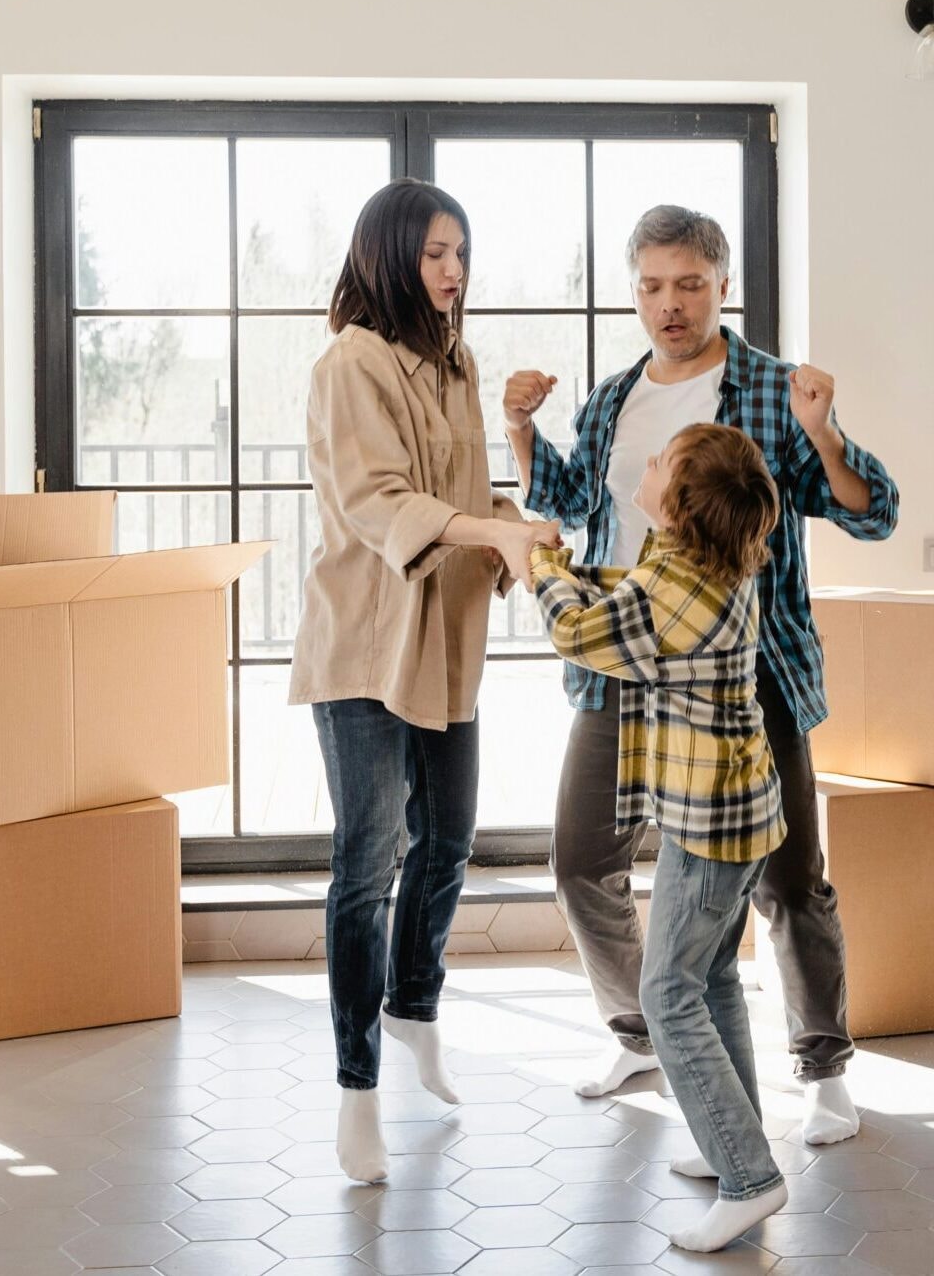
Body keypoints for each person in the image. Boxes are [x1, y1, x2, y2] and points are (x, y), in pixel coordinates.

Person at [505, 204, 899, 1147]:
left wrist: (826, 435)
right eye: (650, 286)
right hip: (630, 669)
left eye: (688, 284)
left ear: (723, 286)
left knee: (791, 877)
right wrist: (519, 426)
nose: (669, 305)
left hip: (747, 676)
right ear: (634, 292)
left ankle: (821, 1063)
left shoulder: (772, 391)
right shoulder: (612, 398)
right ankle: (644, 1030)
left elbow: (871, 512)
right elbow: (566, 500)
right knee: (580, 860)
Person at [289, 178, 556, 1185]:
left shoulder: (456, 363)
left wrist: (513, 519)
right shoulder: (349, 363)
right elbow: (375, 500)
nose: (453, 271)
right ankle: (356, 1087)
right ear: (390, 255)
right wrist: (488, 530)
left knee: (446, 839)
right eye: (436, 253)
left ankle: (413, 1008)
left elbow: (454, 492)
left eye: (462, 253)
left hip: (442, 637)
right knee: (368, 861)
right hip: (364, 643)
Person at [498, 423, 789, 1252]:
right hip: (734, 812)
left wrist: (536, 566)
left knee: (666, 995)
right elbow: (623, 587)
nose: (649, 464)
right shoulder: (692, 560)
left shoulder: (681, 590)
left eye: (661, 461)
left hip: (712, 828)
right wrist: (556, 563)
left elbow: (583, 634)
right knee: (711, 983)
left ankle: (750, 1179)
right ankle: (734, 1141)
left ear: (683, 503)